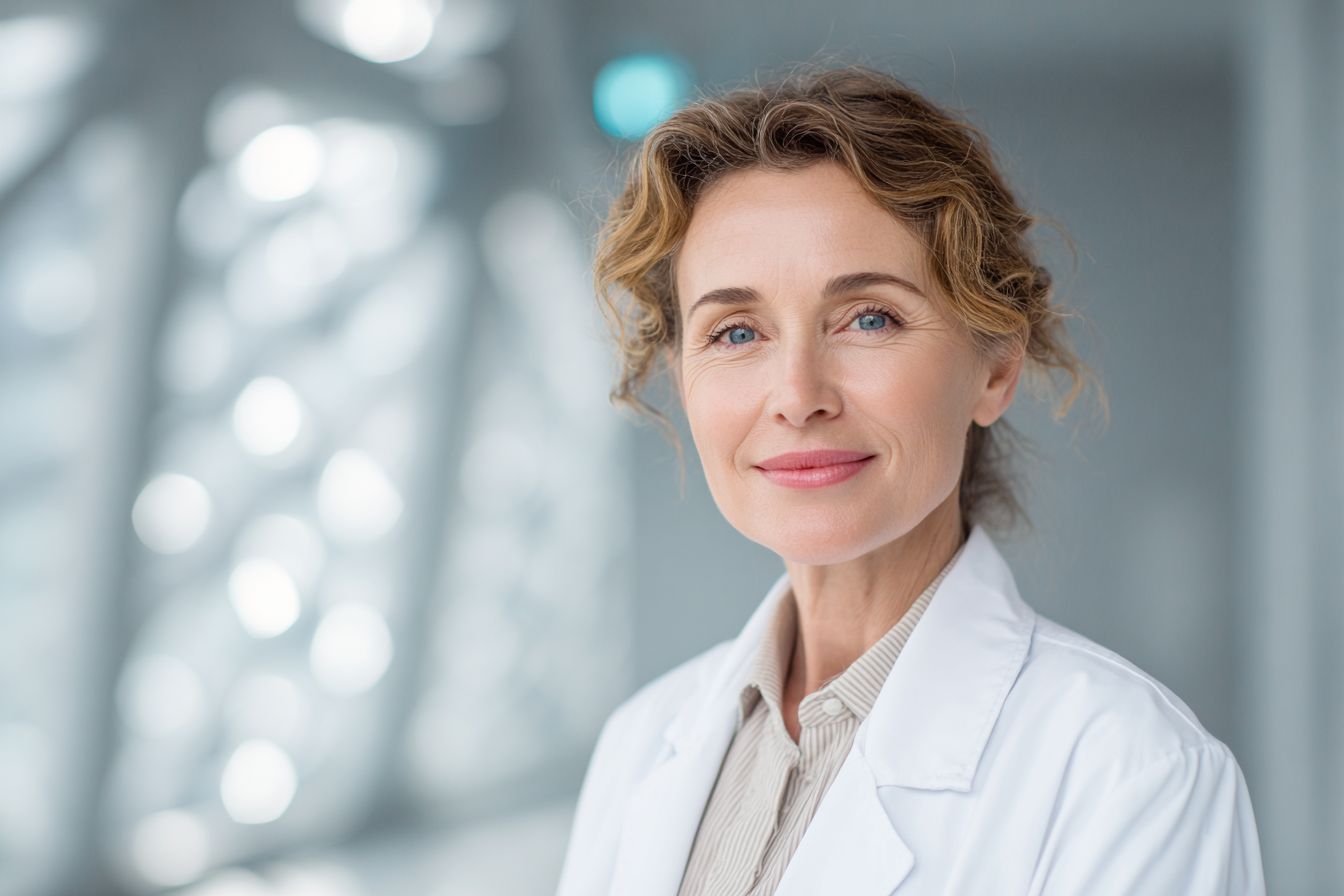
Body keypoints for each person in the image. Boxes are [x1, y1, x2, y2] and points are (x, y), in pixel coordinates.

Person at [555, 64, 1265, 895]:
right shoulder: (643, 742)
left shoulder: (1132, 774)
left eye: (869, 318)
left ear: (995, 366)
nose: (798, 397)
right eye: (737, 332)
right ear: (682, 377)